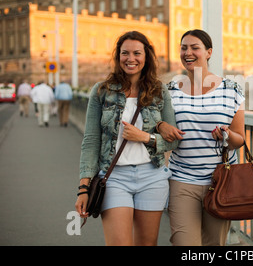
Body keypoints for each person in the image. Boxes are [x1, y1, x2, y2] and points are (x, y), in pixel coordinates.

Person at [75, 31, 180, 246]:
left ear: (146, 57)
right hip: (114, 178)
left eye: (136, 53)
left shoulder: (159, 91)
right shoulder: (101, 91)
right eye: (125, 53)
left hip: (152, 176)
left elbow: (174, 140)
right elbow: (91, 141)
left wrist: (146, 137)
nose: (130, 58)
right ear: (118, 57)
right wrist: (83, 188)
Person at [162, 29, 245, 246]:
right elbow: (158, 129)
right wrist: (162, 126)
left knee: (213, 245)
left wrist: (227, 136)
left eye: (194, 47)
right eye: (183, 48)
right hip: (181, 180)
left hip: (219, 183)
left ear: (208, 52)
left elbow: (240, 139)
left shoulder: (231, 89)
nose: (188, 52)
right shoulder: (170, 91)